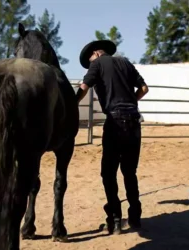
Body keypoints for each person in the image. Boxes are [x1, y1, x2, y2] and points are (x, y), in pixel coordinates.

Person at [76, 40, 149, 235]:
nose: (90, 62)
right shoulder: (125, 62)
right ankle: (135, 216)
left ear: (96, 54)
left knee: (108, 173)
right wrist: (130, 102)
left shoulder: (97, 65)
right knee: (129, 171)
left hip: (115, 123)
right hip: (134, 122)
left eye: (89, 59)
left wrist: (71, 103)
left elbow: (83, 88)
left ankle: (115, 219)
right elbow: (144, 89)